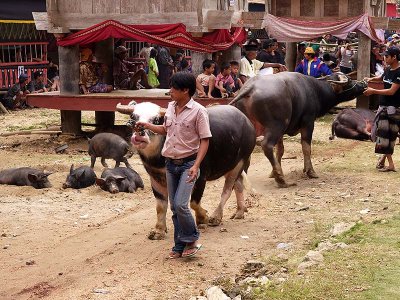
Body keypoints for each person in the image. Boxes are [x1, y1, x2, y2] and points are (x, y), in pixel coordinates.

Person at [135, 72, 211, 259]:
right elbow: (165, 130)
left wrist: (196, 165)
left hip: (188, 163)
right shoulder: (170, 107)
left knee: (180, 204)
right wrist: (147, 126)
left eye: (173, 88)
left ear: (185, 90)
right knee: (174, 207)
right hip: (170, 163)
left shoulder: (199, 111)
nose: (170, 91)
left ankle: (192, 239)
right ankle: (179, 245)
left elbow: (205, 140)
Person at [364, 46, 400, 172]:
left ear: (394, 57)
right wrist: (370, 79)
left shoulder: (399, 73)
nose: (384, 58)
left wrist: (373, 90)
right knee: (385, 135)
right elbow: (381, 78)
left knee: (385, 135)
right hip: (384, 107)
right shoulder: (388, 69)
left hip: (393, 109)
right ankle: (384, 161)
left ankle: (390, 164)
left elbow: (391, 91)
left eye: (387, 56)